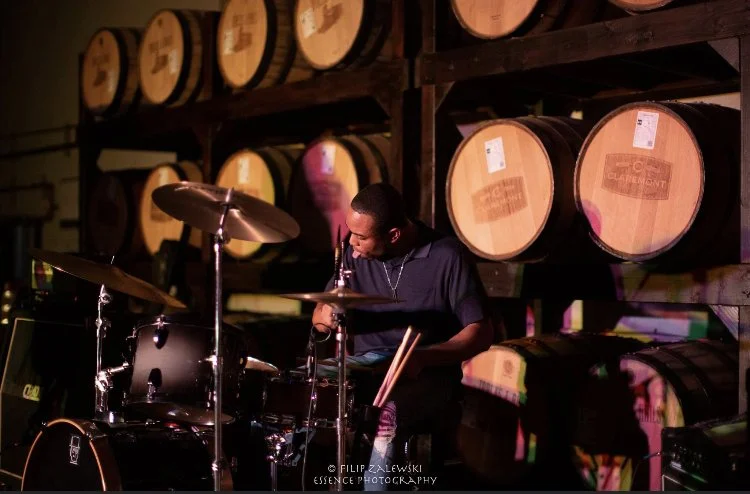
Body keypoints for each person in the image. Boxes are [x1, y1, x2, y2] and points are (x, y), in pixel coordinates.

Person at [311, 183, 493, 490]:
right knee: (299, 384)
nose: (351, 242)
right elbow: (320, 315)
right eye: (351, 233)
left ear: (393, 235)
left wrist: (424, 356)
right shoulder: (353, 253)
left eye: (362, 237)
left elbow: (480, 332)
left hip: (427, 375)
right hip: (366, 367)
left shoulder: (445, 255)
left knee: (387, 414)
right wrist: (324, 316)